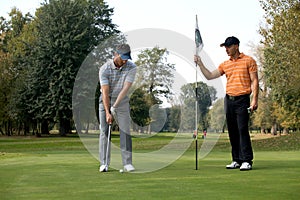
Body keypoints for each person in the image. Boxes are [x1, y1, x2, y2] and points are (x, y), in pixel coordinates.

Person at [194, 36, 259, 171]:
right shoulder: (225, 64)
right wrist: (200, 64)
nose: (227, 50)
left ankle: (247, 160)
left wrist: (254, 99)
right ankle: (236, 159)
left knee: (242, 129)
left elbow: (255, 81)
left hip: (243, 99)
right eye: (225, 47)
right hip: (229, 100)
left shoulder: (249, 61)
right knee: (232, 131)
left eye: (228, 47)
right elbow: (210, 75)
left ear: (236, 46)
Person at [99, 44, 136, 172]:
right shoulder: (104, 69)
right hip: (106, 99)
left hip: (122, 101)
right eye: (123, 58)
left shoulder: (131, 67)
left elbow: (125, 88)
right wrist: (108, 111)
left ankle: (127, 163)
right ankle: (104, 163)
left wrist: (115, 106)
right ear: (116, 54)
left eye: (127, 58)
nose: (125, 61)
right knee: (104, 130)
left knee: (125, 130)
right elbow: (104, 92)